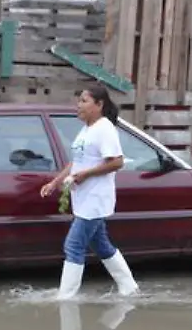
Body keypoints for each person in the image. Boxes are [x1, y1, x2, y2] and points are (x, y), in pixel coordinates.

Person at [41, 84, 139, 300]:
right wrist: (55, 182)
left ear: (99, 104)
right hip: (83, 197)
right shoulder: (87, 129)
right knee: (101, 245)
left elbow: (117, 162)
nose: (79, 105)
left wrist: (87, 174)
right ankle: (129, 288)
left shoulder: (104, 128)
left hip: (96, 198)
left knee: (73, 244)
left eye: (84, 101)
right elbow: (76, 162)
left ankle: (66, 298)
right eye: (79, 101)